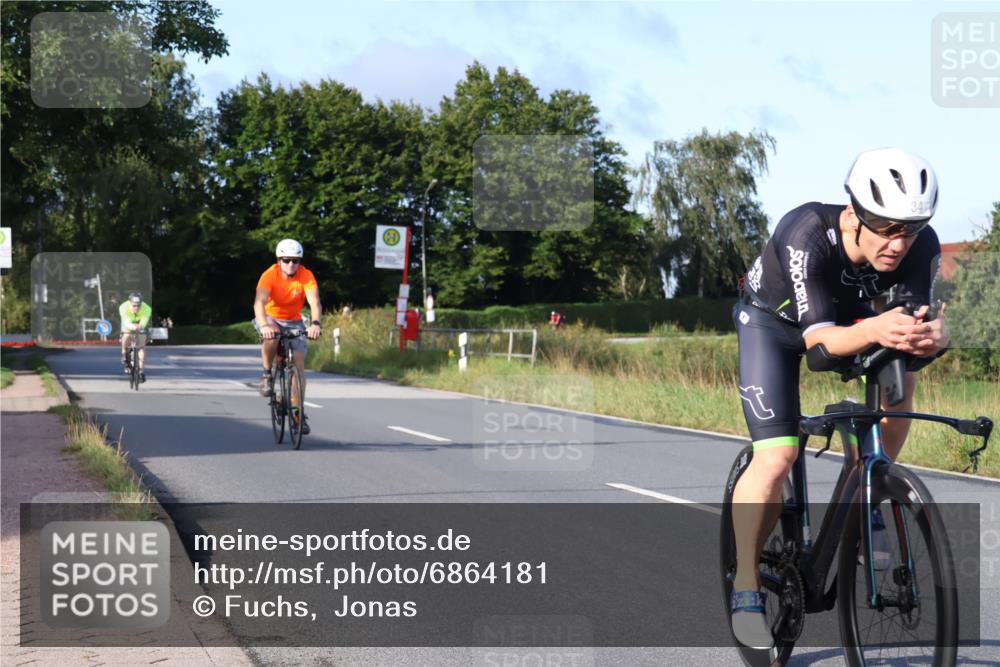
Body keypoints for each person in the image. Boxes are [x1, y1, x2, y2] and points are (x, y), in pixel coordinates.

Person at [730, 148, 950, 649]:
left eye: (911, 229)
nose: (899, 243)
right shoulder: (806, 232)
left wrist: (933, 335)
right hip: (776, 326)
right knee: (779, 455)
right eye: (886, 227)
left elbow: (914, 323)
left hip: (854, 323)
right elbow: (821, 348)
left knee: (902, 374)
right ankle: (745, 583)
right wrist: (877, 326)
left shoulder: (921, 245)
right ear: (853, 214)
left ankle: (869, 488)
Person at [253, 239, 322, 435]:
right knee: (272, 336)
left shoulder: (306, 276)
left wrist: (315, 324)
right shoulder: (269, 275)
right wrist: (265, 325)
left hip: (294, 321)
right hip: (270, 317)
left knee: (299, 366)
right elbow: (259, 303)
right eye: (286, 260)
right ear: (279, 260)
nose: (291, 264)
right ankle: (266, 373)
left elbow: (315, 303)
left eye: (295, 260)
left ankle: (298, 414)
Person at [119, 292, 152, 382]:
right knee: (126, 334)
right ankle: (124, 352)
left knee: (141, 346)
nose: (136, 308)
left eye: (138, 305)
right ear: (130, 303)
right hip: (128, 323)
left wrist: (139, 326)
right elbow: (126, 321)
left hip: (140, 323)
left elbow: (144, 322)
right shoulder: (123, 307)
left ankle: (141, 371)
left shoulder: (147, 308)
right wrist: (131, 327)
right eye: (134, 305)